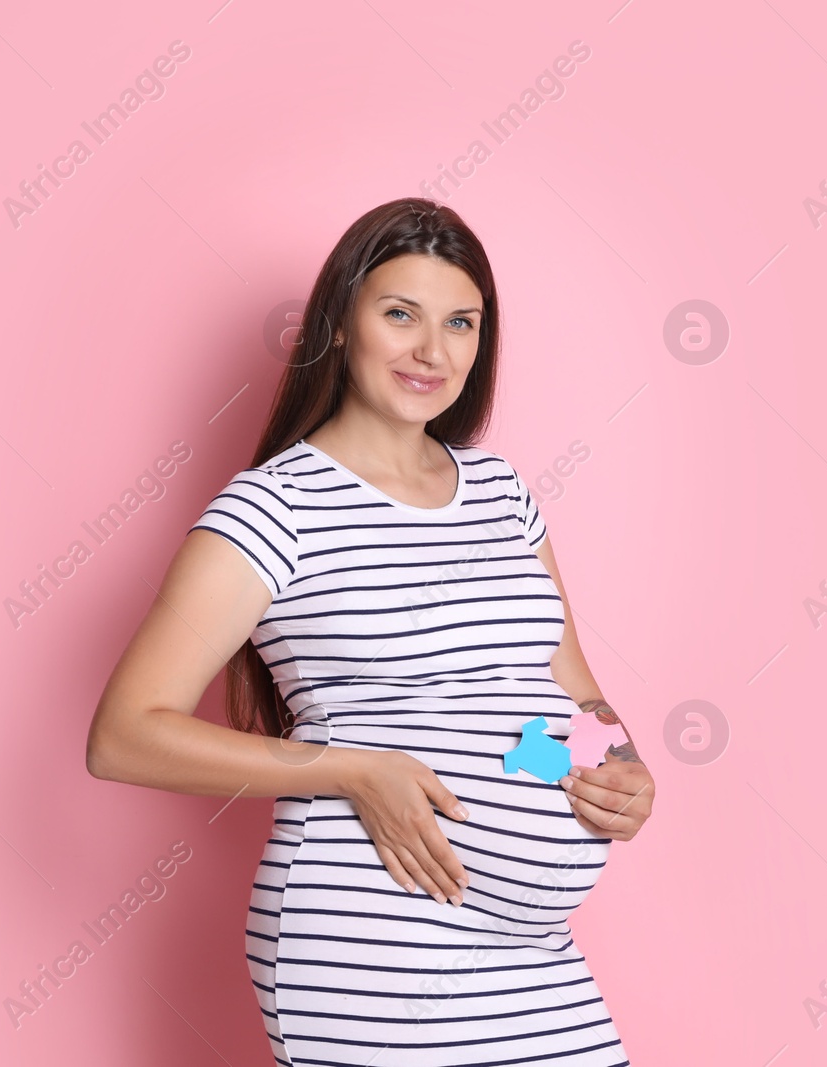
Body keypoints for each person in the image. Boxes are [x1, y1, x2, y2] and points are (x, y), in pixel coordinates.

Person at [86, 197, 654, 1066]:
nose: (433, 351)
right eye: (401, 315)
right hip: (372, 939)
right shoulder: (277, 509)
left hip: (535, 954)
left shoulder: (502, 494)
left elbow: (566, 693)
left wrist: (617, 767)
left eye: (460, 323)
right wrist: (354, 768)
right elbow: (125, 734)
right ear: (341, 326)